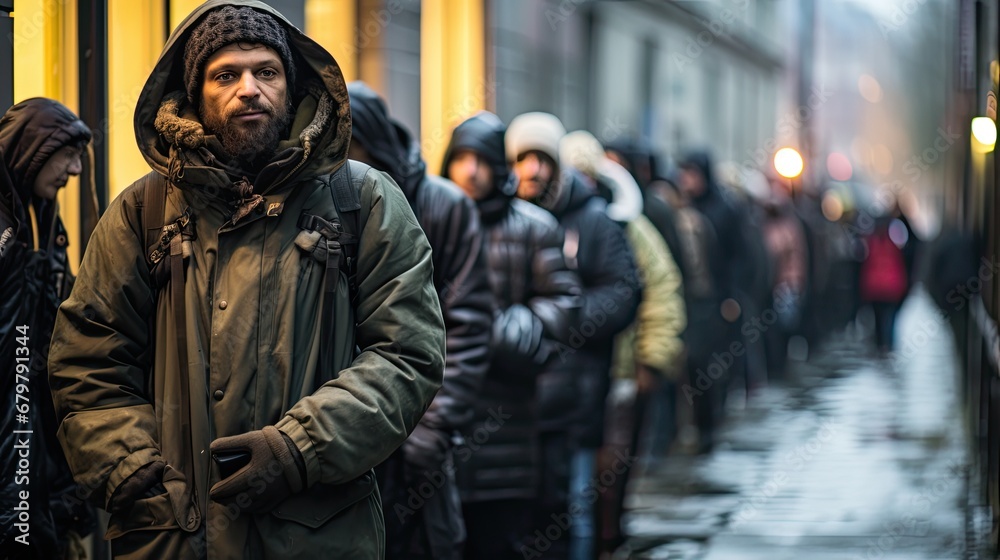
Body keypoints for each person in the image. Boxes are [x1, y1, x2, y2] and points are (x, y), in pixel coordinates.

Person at [47, 2, 445, 558]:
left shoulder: (362, 200)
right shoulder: (144, 210)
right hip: (173, 534)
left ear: (290, 83)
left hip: (315, 533)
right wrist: (128, 464)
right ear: (195, 94)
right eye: (225, 75)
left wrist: (299, 447)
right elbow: (87, 354)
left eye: (266, 71)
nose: (249, 88)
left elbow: (407, 354)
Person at [347, 81, 492, 560]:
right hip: (344, 436)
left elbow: (467, 327)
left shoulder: (444, 206)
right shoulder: (324, 200)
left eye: (352, 145)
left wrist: (430, 428)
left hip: (415, 436)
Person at [441, 111, 581, 560]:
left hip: (508, 409)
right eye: (460, 159)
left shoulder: (534, 226)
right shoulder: (428, 218)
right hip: (441, 409)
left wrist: (512, 329)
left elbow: (563, 302)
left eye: (480, 160)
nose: (470, 171)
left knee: (500, 537)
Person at [507, 113, 641, 560]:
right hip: (513, 402)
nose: (532, 170)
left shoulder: (594, 220)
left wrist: (566, 316)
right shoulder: (498, 216)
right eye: (523, 158)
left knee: (571, 509)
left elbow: (623, 290)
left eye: (542, 158)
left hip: (576, 398)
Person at [560, 130, 686, 559]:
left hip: (621, 371)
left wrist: (650, 360)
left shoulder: (631, 227)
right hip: (568, 375)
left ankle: (607, 541)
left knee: (610, 471)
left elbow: (663, 289)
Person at [0, 98, 95, 560]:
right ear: (35, 150)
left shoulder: (45, 221)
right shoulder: (9, 226)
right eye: (67, 154)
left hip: (34, 418)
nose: (76, 170)